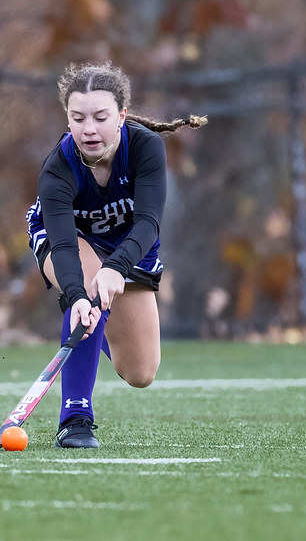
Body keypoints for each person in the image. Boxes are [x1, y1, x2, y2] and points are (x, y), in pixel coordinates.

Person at [25, 62, 206, 448]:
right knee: (88, 290)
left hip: (131, 247)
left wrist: (116, 268)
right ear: (67, 119)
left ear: (121, 116)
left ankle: (95, 323)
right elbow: (63, 245)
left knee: (140, 372)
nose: (89, 129)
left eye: (100, 117)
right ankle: (74, 419)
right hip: (69, 243)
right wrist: (77, 295)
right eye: (78, 118)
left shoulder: (145, 148)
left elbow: (148, 223)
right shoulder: (57, 169)